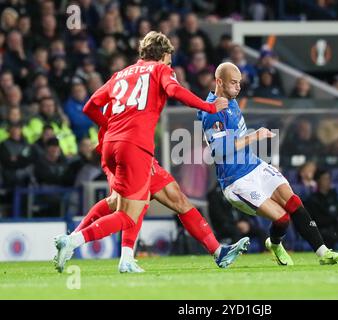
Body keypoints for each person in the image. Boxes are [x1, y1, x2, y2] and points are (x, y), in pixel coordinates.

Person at [53, 31, 233, 273]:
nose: (170, 65)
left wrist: (111, 127)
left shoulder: (120, 74)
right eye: (169, 61)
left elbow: (90, 106)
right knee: (128, 213)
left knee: (171, 198)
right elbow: (175, 91)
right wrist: (208, 107)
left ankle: (215, 251)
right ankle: (73, 241)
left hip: (112, 145)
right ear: (162, 56)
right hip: (134, 147)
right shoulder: (160, 70)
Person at [198, 62, 338, 266]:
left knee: (294, 202)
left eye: (240, 82)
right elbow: (218, 151)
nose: (238, 87)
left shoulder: (231, 101)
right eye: (233, 83)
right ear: (219, 82)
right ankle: (275, 243)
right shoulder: (212, 111)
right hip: (236, 181)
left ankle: (324, 253)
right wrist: (255, 136)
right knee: (282, 219)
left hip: (255, 166)